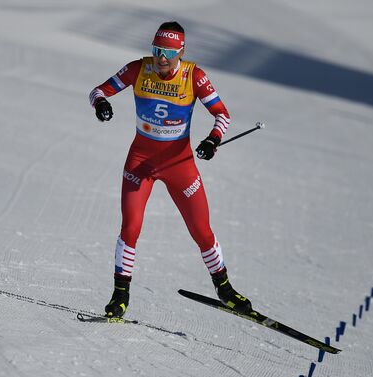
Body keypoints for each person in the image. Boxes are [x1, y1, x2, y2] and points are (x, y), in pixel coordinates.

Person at [88, 21, 252, 318]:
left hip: (180, 165)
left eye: (167, 52)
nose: (161, 58)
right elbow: (97, 91)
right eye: (156, 50)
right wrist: (101, 104)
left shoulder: (194, 76)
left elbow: (222, 114)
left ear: (181, 52)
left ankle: (225, 289)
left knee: (201, 230)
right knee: (131, 227)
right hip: (141, 161)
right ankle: (119, 296)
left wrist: (213, 141)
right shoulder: (139, 69)